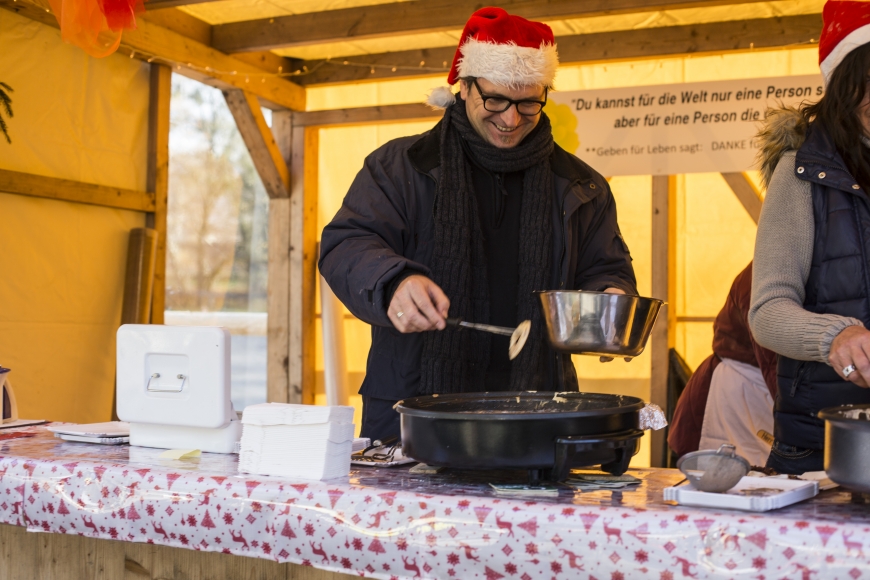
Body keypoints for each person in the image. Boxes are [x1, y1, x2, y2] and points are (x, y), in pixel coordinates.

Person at [319, 7, 637, 440]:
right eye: (496, 100)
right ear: (464, 86)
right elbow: (346, 244)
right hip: (412, 412)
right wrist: (393, 281)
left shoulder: (580, 185)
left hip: (538, 413)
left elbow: (605, 268)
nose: (511, 119)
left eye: (528, 103)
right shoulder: (400, 166)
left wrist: (610, 299)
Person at [750, 0, 870, 474]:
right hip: (822, 445)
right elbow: (767, 311)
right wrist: (835, 335)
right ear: (845, 85)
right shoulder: (800, 173)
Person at [669, 263, 778, 466]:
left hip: (764, 394)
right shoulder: (763, 275)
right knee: (735, 478)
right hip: (738, 393)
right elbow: (773, 359)